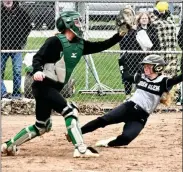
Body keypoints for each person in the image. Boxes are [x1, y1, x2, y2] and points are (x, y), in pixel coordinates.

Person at [1, 10, 132, 158]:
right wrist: (37, 70)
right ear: (68, 24)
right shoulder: (55, 41)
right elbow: (38, 57)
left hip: (50, 88)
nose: (80, 25)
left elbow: (102, 45)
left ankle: (9, 145)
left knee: (42, 126)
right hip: (44, 85)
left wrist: (120, 35)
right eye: (77, 22)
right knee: (70, 110)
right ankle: (81, 149)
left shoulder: (79, 45)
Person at [80, 55, 183, 147]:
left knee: (125, 139)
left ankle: (108, 143)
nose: (145, 68)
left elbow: (179, 78)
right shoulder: (141, 77)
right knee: (103, 120)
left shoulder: (164, 82)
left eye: (149, 66)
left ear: (158, 67)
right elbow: (126, 77)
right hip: (128, 107)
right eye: (145, 66)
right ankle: (77, 132)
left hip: (141, 117)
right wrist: (122, 64)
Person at [1, 0, 32, 99]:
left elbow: (28, 27)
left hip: (16, 47)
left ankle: (16, 94)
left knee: (17, 70)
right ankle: (3, 93)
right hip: (1, 48)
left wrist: (21, 40)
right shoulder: (0, 12)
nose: (8, 1)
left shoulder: (21, 12)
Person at [118, 5, 143, 101]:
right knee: (126, 75)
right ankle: (127, 95)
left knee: (138, 75)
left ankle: (137, 95)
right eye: (126, 14)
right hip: (126, 54)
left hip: (137, 55)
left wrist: (134, 28)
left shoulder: (138, 27)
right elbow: (122, 42)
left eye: (130, 14)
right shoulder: (123, 26)